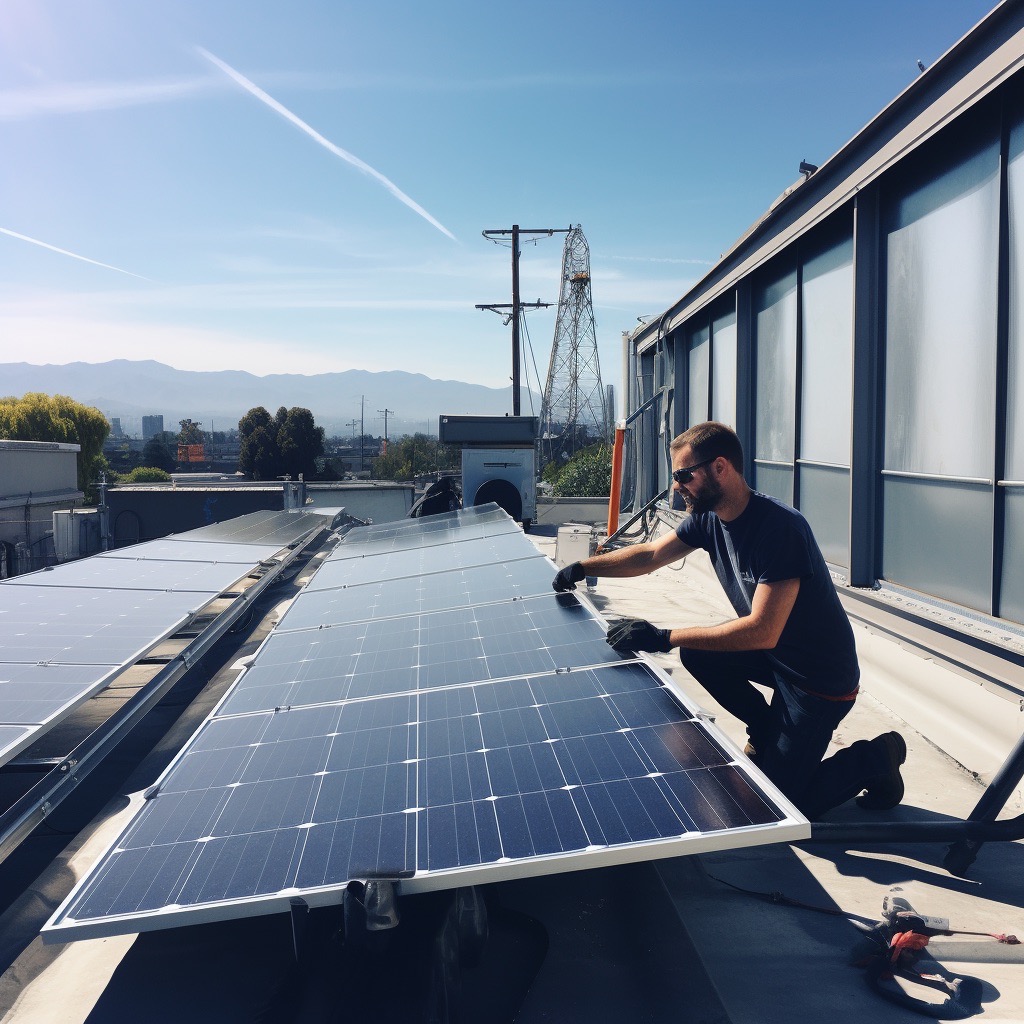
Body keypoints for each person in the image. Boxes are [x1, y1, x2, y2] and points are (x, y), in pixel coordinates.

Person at [551, 421, 906, 819]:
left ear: (720, 468)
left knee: (784, 807)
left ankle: (878, 755)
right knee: (699, 654)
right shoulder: (709, 519)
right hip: (776, 661)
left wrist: (664, 636)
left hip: (818, 682)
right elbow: (650, 556)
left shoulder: (780, 529)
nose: (676, 487)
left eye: (684, 475)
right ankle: (767, 729)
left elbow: (762, 630)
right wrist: (581, 566)